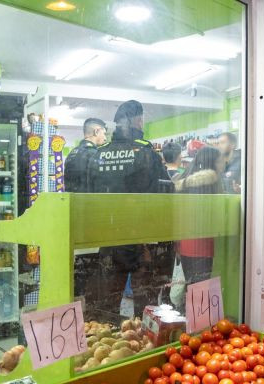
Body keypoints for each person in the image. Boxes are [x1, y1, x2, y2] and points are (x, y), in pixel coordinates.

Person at [92, 100, 168, 317]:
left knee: (108, 297)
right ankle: (143, 341)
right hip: (140, 236)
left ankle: (107, 339)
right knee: (145, 298)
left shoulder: (100, 152)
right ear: (137, 119)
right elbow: (163, 193)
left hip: (109, 235)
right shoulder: (145, 151)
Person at [173, 146, 225, 283]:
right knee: (200, 290)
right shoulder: (209, 183)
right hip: (202, 243)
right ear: (211, 162)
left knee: (191, 287)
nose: (223, 164)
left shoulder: (184, 181)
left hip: (184, 243)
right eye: (220, 161)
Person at [63, 118, 107, 192]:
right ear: (96, 131)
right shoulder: (95, 154)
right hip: (89, 201)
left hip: (72, 201)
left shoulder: (72, 153)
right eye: (104, 133)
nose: (105, 138)